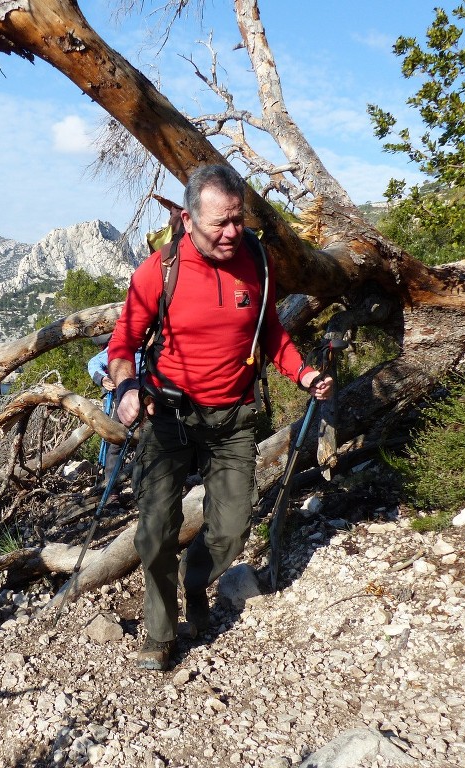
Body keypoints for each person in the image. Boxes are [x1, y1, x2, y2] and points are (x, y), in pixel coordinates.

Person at [107, 164, 334, 671]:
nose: (233, 232)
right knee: (155, 529)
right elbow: (121, 344)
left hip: (233, 417)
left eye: (238, 220)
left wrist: (303, 374)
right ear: (188, 219)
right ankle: (162, 632)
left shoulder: (256, 258)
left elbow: (269, 331)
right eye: (220, 224)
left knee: (231, 529)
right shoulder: (159, 271)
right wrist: (125, 388)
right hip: (167, 413)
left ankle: (196, 580)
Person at [87, 335, 144, 504]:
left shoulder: (152, 348)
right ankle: (112, 490)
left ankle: (137, 489)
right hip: (125, 397)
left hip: (144, 397)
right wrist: (103, 379)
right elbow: (94, 364)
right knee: (116, 442)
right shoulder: (118, 348)